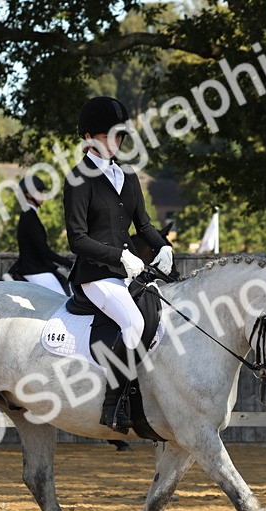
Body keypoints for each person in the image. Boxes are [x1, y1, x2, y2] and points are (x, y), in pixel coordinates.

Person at [64, 96, 173, 433]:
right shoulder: (77, 179)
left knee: (164, 320)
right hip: (96, 274)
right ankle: (113, 406)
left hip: (128, 270)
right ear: (88, 137)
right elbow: (77, 239)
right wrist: (119, 256)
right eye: (108, 135)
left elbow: (143, 226)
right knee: (133, 323)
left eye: (119, 135)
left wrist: (163, 247)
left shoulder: (127, 174)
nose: (116, 142)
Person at [8, 176, 72, 295]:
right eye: (40, 192)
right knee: (61, 299)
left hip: (35, 267)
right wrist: (68, 263)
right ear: (28, 195)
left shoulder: (29, 215)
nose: (43, 195)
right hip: (35, 270)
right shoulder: (29, 218)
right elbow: (44, 250)